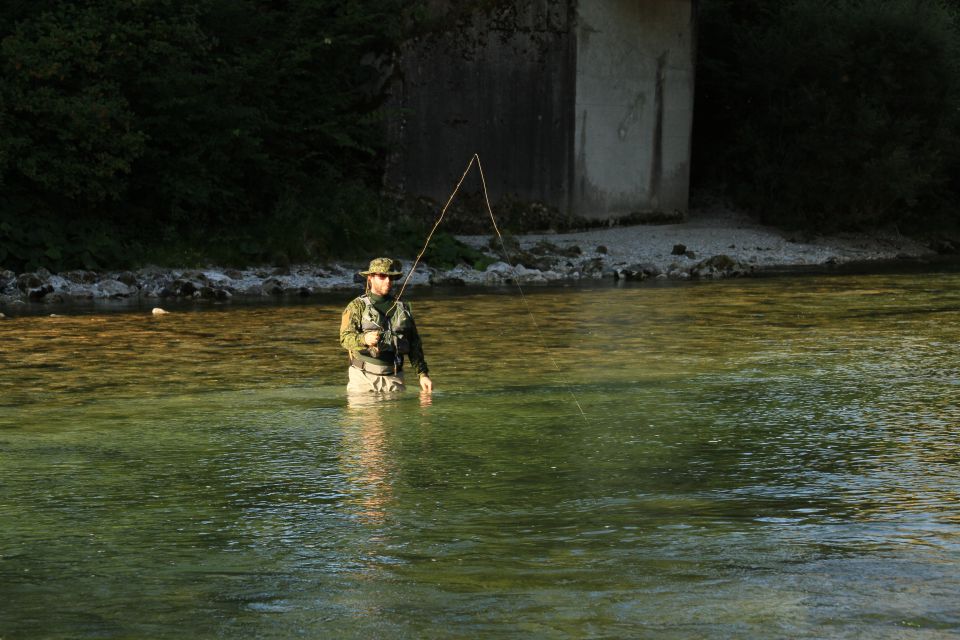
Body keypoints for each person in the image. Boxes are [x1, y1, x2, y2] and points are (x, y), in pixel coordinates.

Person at [339, 257, 433, 395]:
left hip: (394, 379)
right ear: (370, 278)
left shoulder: (403, 307)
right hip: (362, 379)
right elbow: (344, 338)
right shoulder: (356, 306)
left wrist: (423, 375)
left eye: (391, 277)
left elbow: (414, 343)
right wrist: (364, 339)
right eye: (382, 276)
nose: (388, 281)